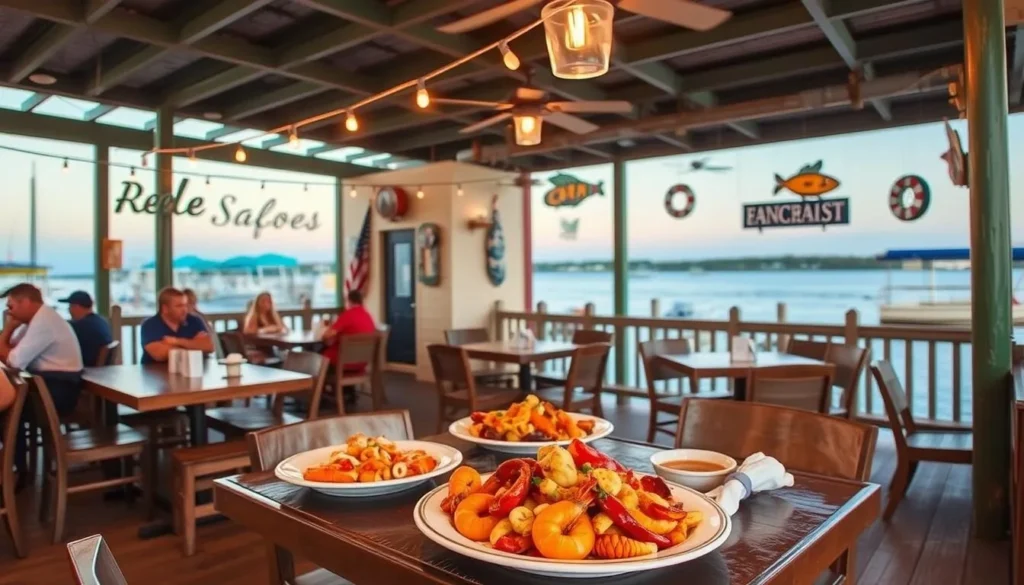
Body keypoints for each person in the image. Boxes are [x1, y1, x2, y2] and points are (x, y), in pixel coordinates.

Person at [0, 283, 84, 481]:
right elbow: (9, 350)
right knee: (8, 405)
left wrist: (8, 329)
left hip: (61, 391)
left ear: (25, 302)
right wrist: (10, 331)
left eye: (11, 306)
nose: (8, 311)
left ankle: (16, 470)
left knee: (8, 410)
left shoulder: (44, 322)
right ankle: (14, 467)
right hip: (47, 386)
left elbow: (12, 360)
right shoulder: (34, 321)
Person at [140, 287, 214, 364]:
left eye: (185, 305)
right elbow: (159, 354)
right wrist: (194, 345)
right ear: (165, 309)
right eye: (179, 306)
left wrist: (176, 341)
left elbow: (210, 346)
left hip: (194, 368)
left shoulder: (194, 320)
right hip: (155, 370)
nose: (184, 310)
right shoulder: (150, 324)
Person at [61, 290, 114, 367]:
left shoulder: (80, 326)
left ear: (77, 306)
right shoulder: (101, 321)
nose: (69, 310)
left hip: (87, 368)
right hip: (100, 369)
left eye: (70, 306)